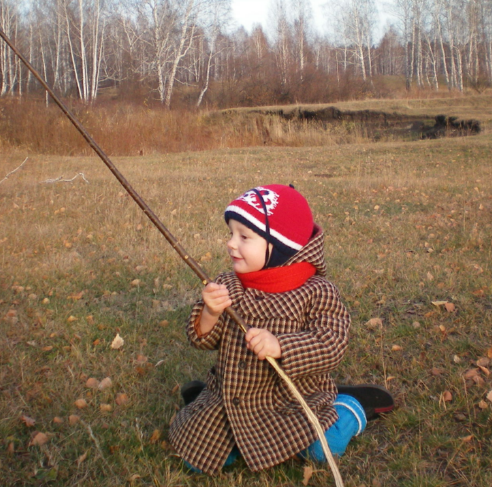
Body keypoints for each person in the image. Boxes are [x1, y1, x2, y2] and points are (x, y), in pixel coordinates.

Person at [168, 184, 393, 475]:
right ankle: (206, 401)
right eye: (231, 234)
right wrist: (210, 312)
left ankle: (350, 407)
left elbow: (332, 343)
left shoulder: (316, 291)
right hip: (233, 398)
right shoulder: (228, 284)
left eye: (244, 237)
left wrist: (281, 346)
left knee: (323, 450)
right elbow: (202, 340)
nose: (231, 244)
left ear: (279, 247)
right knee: (196, 459)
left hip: (291, 401)